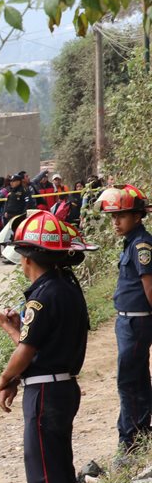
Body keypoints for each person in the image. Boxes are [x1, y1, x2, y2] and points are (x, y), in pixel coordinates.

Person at [0, 211, 93, 483]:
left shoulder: (43, 296)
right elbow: (36, 345)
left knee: (44, 474)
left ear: (27, 258)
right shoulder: (65, 287)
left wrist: (5, 377)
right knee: (58, 468)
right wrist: (13, 333)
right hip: (58, 384)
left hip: (46, 391)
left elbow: (28, 351)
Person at [98, 186, 152, 458]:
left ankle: (129, 441)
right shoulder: (132, 242)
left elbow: (148, 286)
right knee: (138, 377)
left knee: (128, 380)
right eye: (113, 217)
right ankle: (141, 433)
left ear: (138, 216)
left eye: (122, 216)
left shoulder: (142, 245)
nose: (116, 222)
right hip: (129, 321)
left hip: (136, 322)